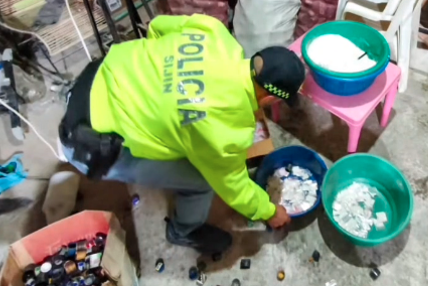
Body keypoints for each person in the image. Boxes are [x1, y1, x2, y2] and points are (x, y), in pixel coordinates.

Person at [58, 14, 306, 254]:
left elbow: (157, 26)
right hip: (89, 144)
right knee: (202, 181)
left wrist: (165, 81)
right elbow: (235, 187)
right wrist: (270, 212)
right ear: (270, 98)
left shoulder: (213, 32)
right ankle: (182, 231)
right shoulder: (227, 131)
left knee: (187, 138)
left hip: (95, 78)